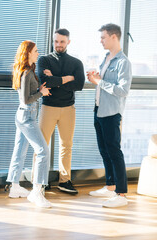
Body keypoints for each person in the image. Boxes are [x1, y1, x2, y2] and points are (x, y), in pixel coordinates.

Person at [87, 23, 132, 207]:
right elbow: (102, 84)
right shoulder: (106, 58)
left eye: (103, 37)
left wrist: (99, 81)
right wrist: (95, 79)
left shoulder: (123, 62)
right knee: (104, 151)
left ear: (114, 37)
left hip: (112, 113)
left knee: (114, 152)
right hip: (99, 110)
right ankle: (110, 185)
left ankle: (121, 195)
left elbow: (123, 90)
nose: (101, 40)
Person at [36, 28, 85, 194]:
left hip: (68, 109)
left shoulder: (76, 63)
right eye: (56, 41)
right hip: (48, 107)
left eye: (62, 42)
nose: (58, 45)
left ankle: (64, 181)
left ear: (68, 42)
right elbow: (44, 82)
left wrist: (55, 80)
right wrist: (67, 78)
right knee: (41, 146)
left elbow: (79, 85)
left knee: (66, 146)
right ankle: (39, 182)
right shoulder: (44, 60)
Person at [7, 40, 52, 208]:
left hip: (23, 115)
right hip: (27, 116)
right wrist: (41, 92)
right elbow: (27, 99)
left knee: (20, 151)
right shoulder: (26, 73)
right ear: (27, 53)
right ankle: (37, 192)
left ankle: (14, 187)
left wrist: (40, 87)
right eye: (35, 51)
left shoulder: (28, 71)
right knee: (42, 151)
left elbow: (29, 93)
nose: (38, 53)